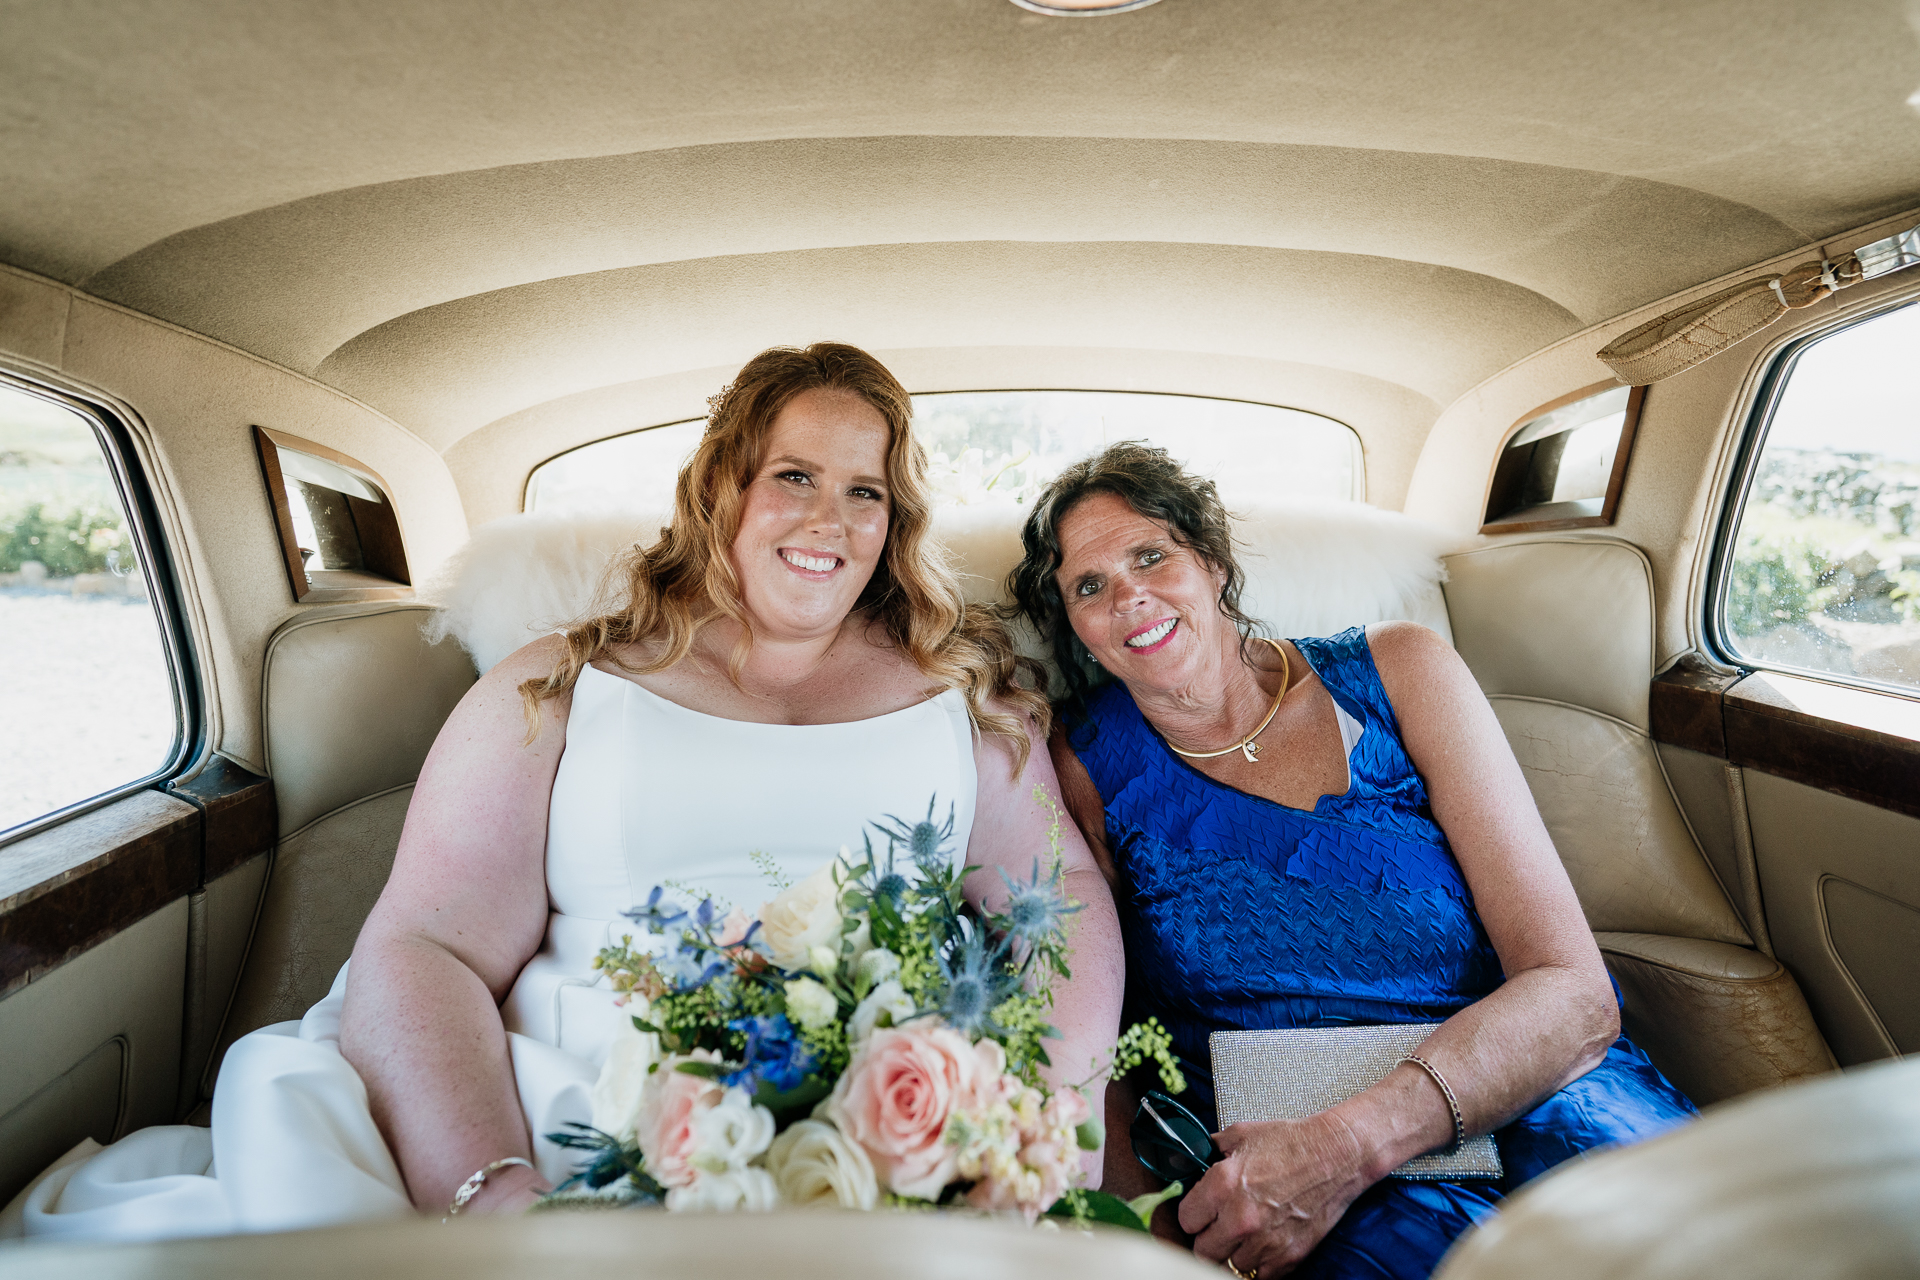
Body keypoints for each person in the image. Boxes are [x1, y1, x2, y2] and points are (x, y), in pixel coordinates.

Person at [16, 343, 1123, 1239]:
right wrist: (491, 1185)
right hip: (553, 1106)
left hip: (875, 1130)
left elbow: (1058, 902)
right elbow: (424, 948)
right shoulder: (558, 683)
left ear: (894, 521)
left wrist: (1044, 1116)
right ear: (725, 484)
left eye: (864, 490)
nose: (830, 518)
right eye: (795, 474)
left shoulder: (962, 696)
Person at [1004, 442, 1694, 1280]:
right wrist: (1143, 1236)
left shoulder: (1402, 670)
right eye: (1089, 585)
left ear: (1213, 562)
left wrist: (1351, 1143)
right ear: (1072, 622)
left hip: (1534, 1087)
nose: (1129, 595)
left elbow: (1575, 995)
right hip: (1273, 1156)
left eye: (1151, 555)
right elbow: (1084, 1024)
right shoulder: (1080, 762)